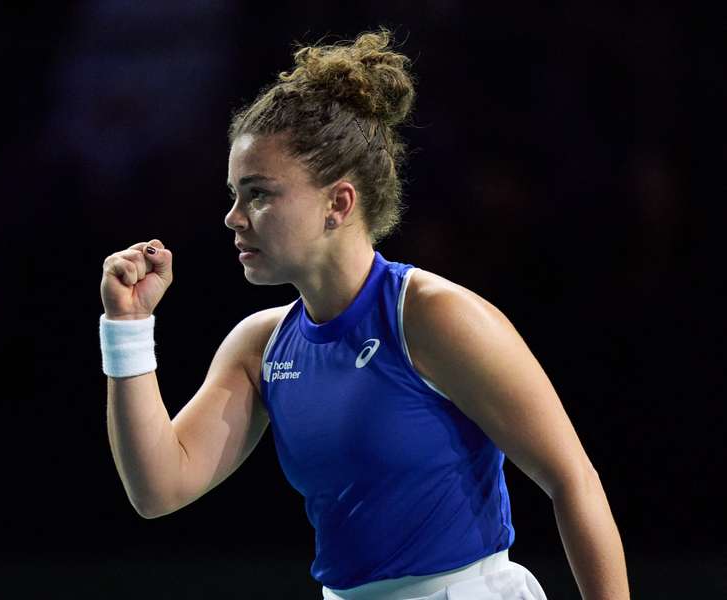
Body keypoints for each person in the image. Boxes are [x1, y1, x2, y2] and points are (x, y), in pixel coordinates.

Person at [98, 29, 629, 600]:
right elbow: (158, 488)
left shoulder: (435, 316)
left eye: (258, 194)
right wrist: (128, 329)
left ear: (339, 203)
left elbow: (573, 481)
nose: (234, 216)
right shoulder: (260, 346)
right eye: (233, 193)